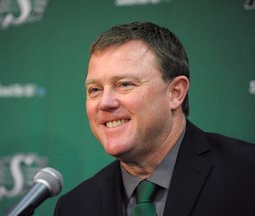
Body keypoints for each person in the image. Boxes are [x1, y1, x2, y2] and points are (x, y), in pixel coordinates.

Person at [54, 22, 255, 216]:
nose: (105, 103)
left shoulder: (247, 173)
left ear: (175, 93)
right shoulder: (74, 206)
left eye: (124, 84)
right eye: (95, 90)